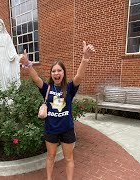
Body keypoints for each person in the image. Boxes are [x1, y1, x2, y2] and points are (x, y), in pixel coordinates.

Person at [19, 41, 95, 180]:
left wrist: (85, 59)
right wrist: (28, 64)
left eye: (59, 70)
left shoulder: (70, 88)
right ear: (51, 74)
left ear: (64, 73)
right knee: (51, 156)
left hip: (67, 129)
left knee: (68, 158)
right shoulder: (47, 88)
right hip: (51, 129)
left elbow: (79, 77)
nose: (56, 73)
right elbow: (36, 79)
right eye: (53, 71)